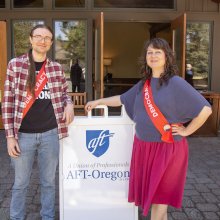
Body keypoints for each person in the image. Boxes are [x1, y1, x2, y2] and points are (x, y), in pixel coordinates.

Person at [85, 38, 212, 220]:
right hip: (144, 148)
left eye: (157, 52)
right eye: (149, 52)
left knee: (159, 200)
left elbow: (205, 109)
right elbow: (122, 99)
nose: (153, 56)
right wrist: (99, 101)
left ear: (167, 57)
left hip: (167, 149)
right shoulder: (143, 84)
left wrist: (187, 131)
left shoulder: (176, 83)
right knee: (157, 202)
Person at [2, 24, 74, 220]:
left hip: (50, 133)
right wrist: (10, 136)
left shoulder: (57, 68)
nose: (42, 40)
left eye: (47, 38)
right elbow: (8, 101)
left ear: (50, 43)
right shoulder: (15, 65)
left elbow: (64, 94)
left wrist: (69, 104)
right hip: (23, 135)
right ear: (30, 39)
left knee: (49, 182)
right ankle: (16, 217)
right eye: (39, 36)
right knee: (20, 183)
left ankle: (48, 217)